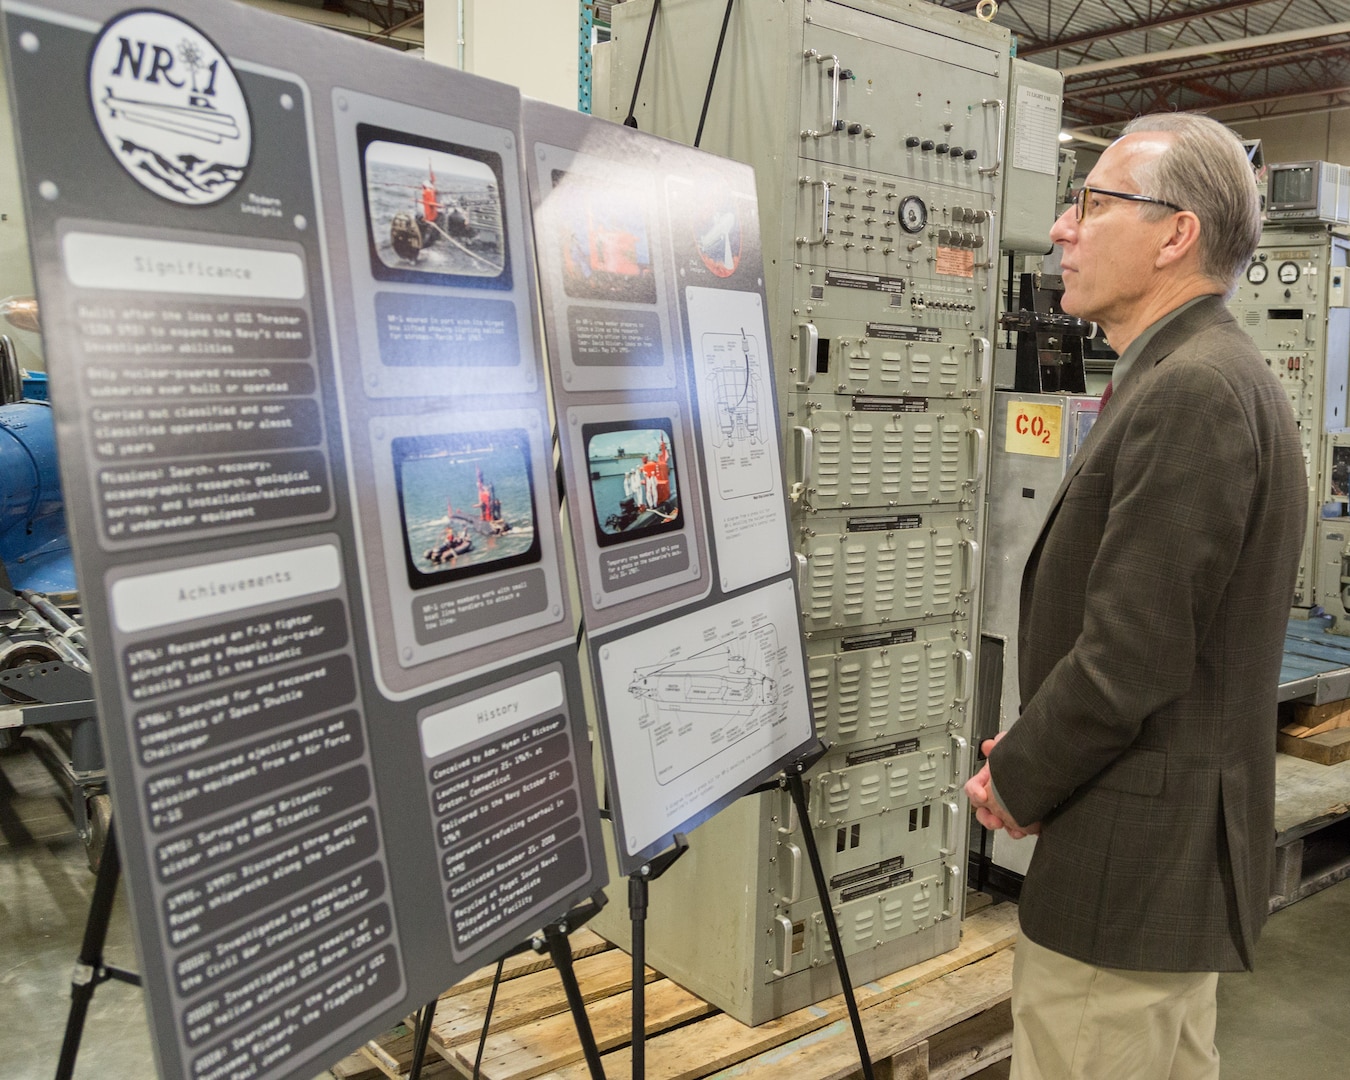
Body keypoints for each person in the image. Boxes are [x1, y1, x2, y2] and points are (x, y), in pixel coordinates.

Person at [965, 113, 1306, 1079]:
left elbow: (1132, 653)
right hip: (1155, 857)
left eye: (1093, 203)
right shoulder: (1193, 371)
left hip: (1131, 874)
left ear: (1174, 234)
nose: (1064, 228)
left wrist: (1019, 777)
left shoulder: (1194, 387)